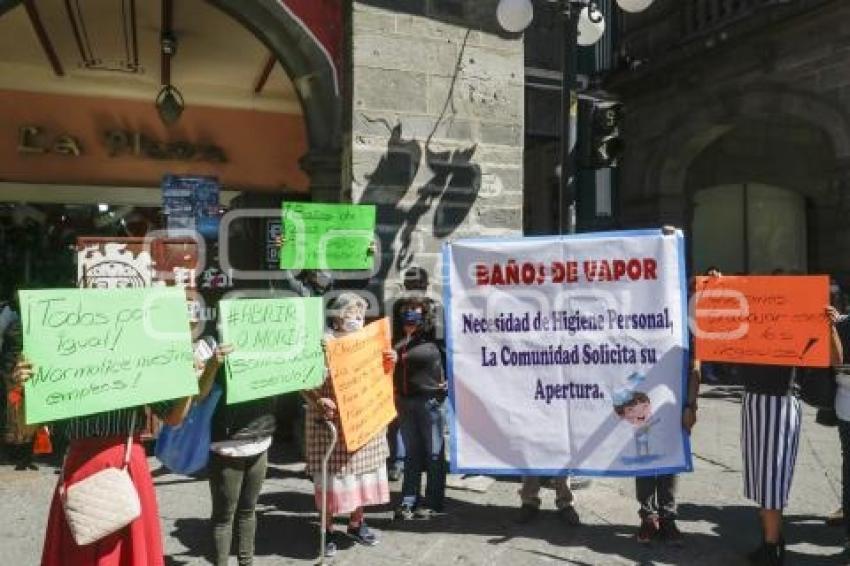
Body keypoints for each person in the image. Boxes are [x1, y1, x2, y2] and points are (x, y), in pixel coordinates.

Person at [17, 298, 230, 566]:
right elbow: (26, 430)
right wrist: (29, 390)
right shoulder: (63, 365)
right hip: (80, 467)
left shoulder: (134, 361)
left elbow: (174, 418)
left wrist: (187, 380)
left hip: (127, 466)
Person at [740, 314, 842, 565]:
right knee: (761, 477)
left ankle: (772, 547)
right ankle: (771, 540)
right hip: (753, 399)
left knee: (772, 477)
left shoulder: (802, 323)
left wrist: (829, 327)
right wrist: (716, 287)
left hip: (779, 401)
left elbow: (837, 360)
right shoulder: (751, 321)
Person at [302, 292, 396, 557]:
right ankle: (328, 529)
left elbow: (381, 374)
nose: (356, 317)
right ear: (337, 316)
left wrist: (392, 360)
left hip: (364, 423)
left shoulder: (368, 341)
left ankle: (357, 523)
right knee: (332, 479)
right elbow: (304, 381)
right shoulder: (323, 342)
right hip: (331, 425)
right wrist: (318, 399)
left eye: (360, 313)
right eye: (350, 313)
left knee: (362, 475)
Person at [633, 358, 701, 545]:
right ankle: (648, 517)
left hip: (674, 404)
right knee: (644, 458)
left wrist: (691, 406)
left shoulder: (686, 329)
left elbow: (694, 365)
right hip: (643, 399)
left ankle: (667, 518)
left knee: (670, 460)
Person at [393, 296, 448, 520]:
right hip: (404, 402)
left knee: (434, 453)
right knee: (411, 455)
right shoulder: (396, 338)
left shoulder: (434, 337)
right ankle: (408, 501)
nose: (410, 314)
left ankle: (433, 503)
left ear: (424, 314)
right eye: (406, 310)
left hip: (430, 402)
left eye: (415, 310)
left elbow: (456, 359)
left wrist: (448, 383)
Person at [0, 299, 37, 470]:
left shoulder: (16, 320)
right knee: (15, 414)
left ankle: (24, 455)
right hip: (13, 374)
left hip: (23, 372)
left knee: (24, 415)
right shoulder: (10, 316)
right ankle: (18, 454)